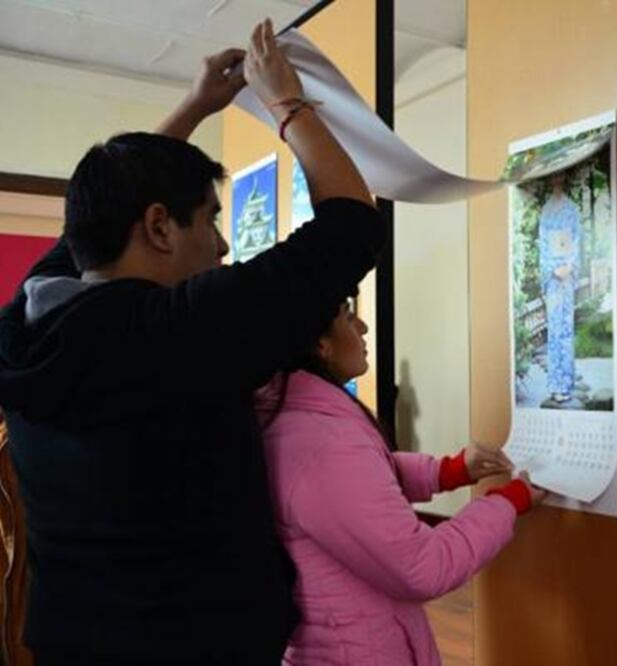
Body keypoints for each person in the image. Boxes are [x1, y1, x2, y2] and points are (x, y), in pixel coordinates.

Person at [0, 20, 381, 664]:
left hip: (73, 640)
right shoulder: (177, 330)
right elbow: (352, 226)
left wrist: (199, 105)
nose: (223, 245)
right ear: (159, 226)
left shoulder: (24, 327)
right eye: (210, 220)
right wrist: (287, 103)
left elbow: (92, 226)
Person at [255, 298, 544, 666]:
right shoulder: (322, 442)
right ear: (320, 345)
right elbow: (423, 567)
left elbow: (361, 480)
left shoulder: (296, 416)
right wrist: (507, 502)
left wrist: (450, 470)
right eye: (348, 317)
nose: (363, 328)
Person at [539, 173, 581, 405]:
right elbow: (543, 246)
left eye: (560, 177)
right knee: (555, 329)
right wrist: (552, 270)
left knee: (567, 327)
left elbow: (576, 241)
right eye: (553, 178)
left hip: (566, 275)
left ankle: (567, 383)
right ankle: (556, 384)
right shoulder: (545, 212)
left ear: (563, 179)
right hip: (554, 278)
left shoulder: (572, 209)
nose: (557, 181)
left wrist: (570, 265)